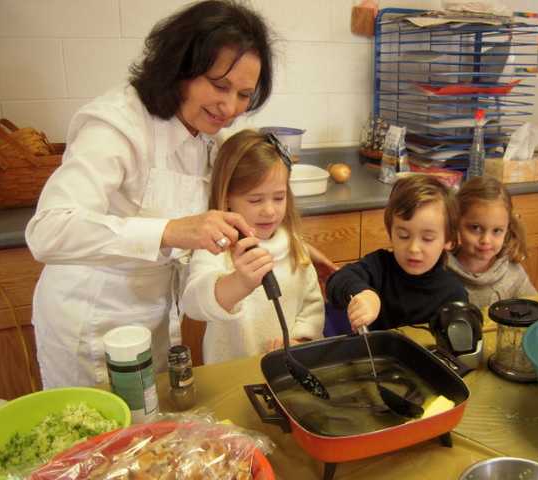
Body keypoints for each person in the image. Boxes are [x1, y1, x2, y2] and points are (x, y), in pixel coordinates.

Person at [24, 1, 280, 388]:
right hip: (88, 325)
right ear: (180, 68)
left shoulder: (212, 141)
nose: (230, 108)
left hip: (154, 325)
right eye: (218, 84)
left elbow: (199, 259)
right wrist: (171, 231)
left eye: (244, 94)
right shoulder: (118, 125)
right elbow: (47, 232)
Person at [181, 130, 324, 362]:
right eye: (255, 200)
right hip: (231, 374)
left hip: (285, 370)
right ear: (227, 198)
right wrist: (239, 283)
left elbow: (311, 308)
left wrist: (299, 342)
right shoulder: (216, 247)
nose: (269, 210)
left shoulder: (294, 247)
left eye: (278, 198)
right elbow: (192, 304)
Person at [326, 175, 468, 331]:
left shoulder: (453, 294)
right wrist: (365, 294)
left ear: (448, 240)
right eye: (403, 236)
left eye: (427, 238)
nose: (413, 248)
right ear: (390, 232)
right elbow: (336, 280)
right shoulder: (379, 266)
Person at [447, 176, 537, 307]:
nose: (486, 240)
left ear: (507, 228)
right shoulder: (441, 272)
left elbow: (535, 313)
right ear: (456, 223)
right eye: (475, 228)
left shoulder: (513, 274)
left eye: (497, 231)